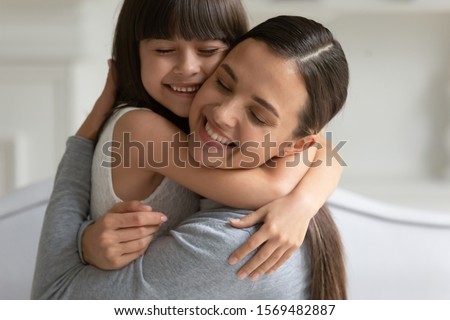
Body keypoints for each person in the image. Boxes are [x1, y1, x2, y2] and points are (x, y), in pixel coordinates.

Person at [32, 14, 348, 300]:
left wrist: (82, 140)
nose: (223, 114)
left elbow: (51, 300)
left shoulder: (236, 240)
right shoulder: (286, 178)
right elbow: (323, 148)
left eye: (258, 115)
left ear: (295, 146)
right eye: (223, 83)